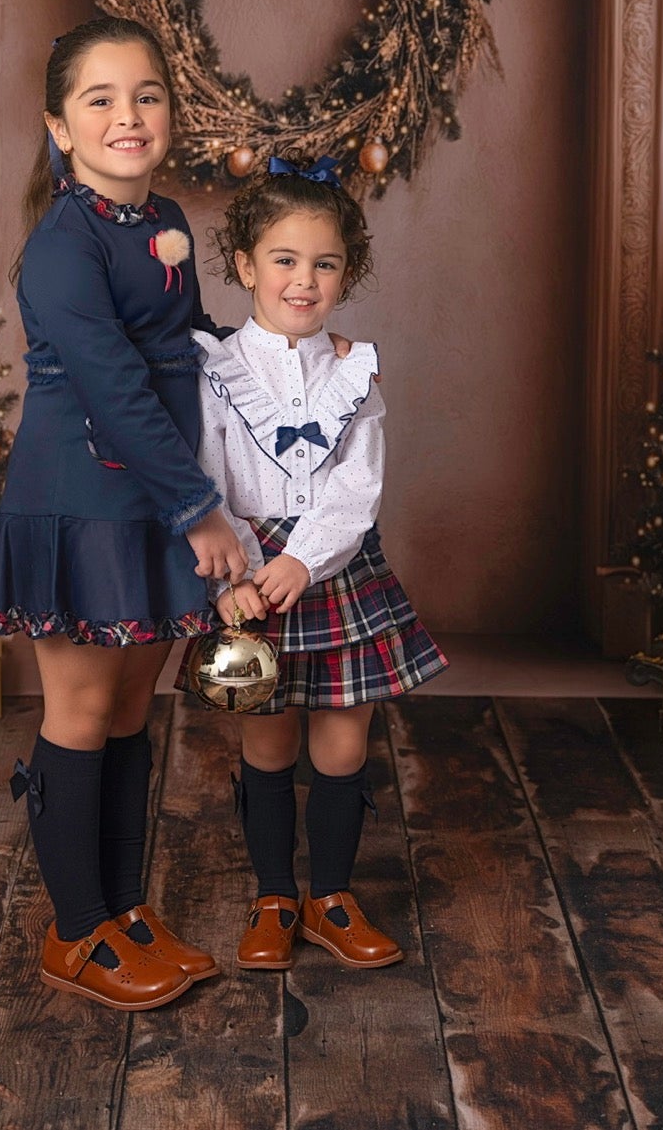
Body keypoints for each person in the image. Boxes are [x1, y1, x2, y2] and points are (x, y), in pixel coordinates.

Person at [0, 15, 251, 1012]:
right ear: (60, 126)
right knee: (82, 712)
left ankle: (127, 911)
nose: (128, 115)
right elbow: (115, 385)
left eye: (147, 95)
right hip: (85, 501)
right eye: (100, 99)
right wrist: (201, 511)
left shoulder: (162, 218)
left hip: (156, 497)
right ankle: (75, 930)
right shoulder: (62, 243)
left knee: (133, 709)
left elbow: (186, 343)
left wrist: (286, 357)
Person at [177, 157, 448, 972]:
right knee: (266, 744)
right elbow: (206, 479)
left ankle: (331, 896)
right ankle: (273, 895)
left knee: (341, 745)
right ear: (246, 265)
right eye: (285, 260)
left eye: (325, 263)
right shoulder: (215, 368)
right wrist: (238, 576)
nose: (304, 279)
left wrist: (304, 558)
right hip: (247, 576)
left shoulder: (354, 370)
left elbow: (359, 486)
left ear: (347, 272)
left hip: (333, 572)